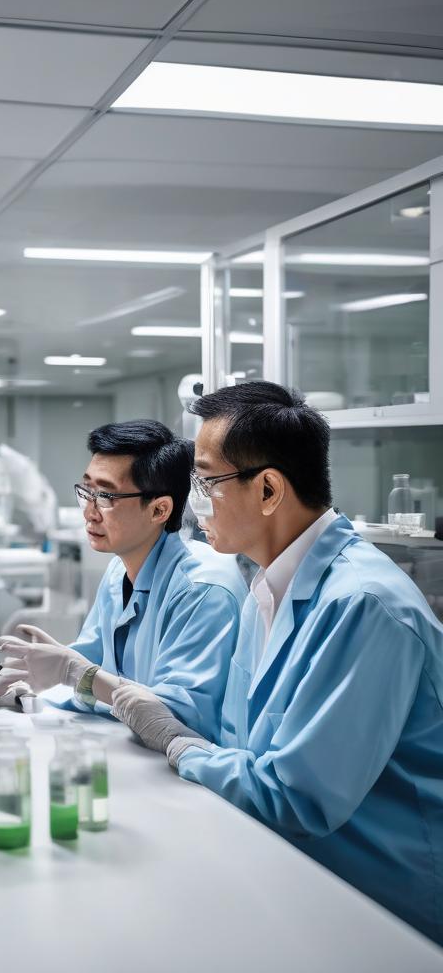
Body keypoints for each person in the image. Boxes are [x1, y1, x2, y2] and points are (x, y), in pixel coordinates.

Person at [111, 382, 443, 944]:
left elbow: (295, 798)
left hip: (384, 908)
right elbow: (243, 743)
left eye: (206, 482)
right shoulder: (266, 588)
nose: (194, 502)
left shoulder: (362, 606)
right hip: (295, 873)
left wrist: (178, 744)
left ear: (268, 489)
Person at [0, 421, 245, 742]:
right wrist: (28, 684)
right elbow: (91, 662)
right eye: (87, 492)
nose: (89, 512)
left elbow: (177, 717)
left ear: (159, 509)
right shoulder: (118, 572)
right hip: (131, 751)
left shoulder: (203, 589)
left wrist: (77, 674)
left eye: (106, 496)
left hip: (189, 772)